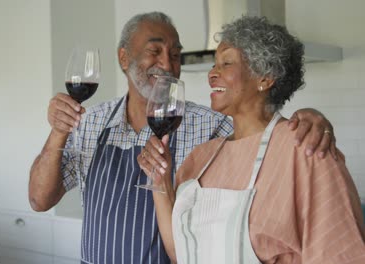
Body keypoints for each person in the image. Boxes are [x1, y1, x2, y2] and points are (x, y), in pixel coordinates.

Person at [29, 12, 337, 264]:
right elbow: (39, 200)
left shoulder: (213, 126)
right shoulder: (92, 122)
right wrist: (58, 133)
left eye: (175, 55)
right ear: (124, 58)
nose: (167, 64)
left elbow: (266, 137)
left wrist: (310, 117)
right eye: (155, 51)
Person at [139, 15, 365, 263]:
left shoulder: (306, 149)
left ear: (265, 78)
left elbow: (341, 255)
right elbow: (180, 252)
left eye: (226, 63)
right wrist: (159, 180)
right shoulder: (201, 158)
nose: (212, 73)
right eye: (214, 65)